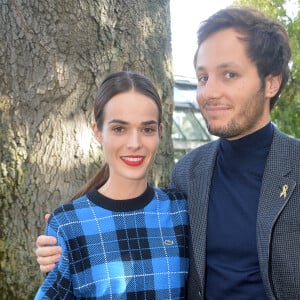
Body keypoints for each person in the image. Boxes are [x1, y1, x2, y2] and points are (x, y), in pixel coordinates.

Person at [35, 6, 300, 299]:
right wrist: (67, 239)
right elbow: (141, 229)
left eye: (229, 74)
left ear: (271, 83)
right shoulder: (188, 173)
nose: (209, 92)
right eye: (202, 77)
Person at [34, 71, 189, 299]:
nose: (134, 143)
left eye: (147, 129)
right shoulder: (68, 224)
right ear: (98, 132)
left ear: (160, 133)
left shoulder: (181, 210)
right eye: (119, 129)